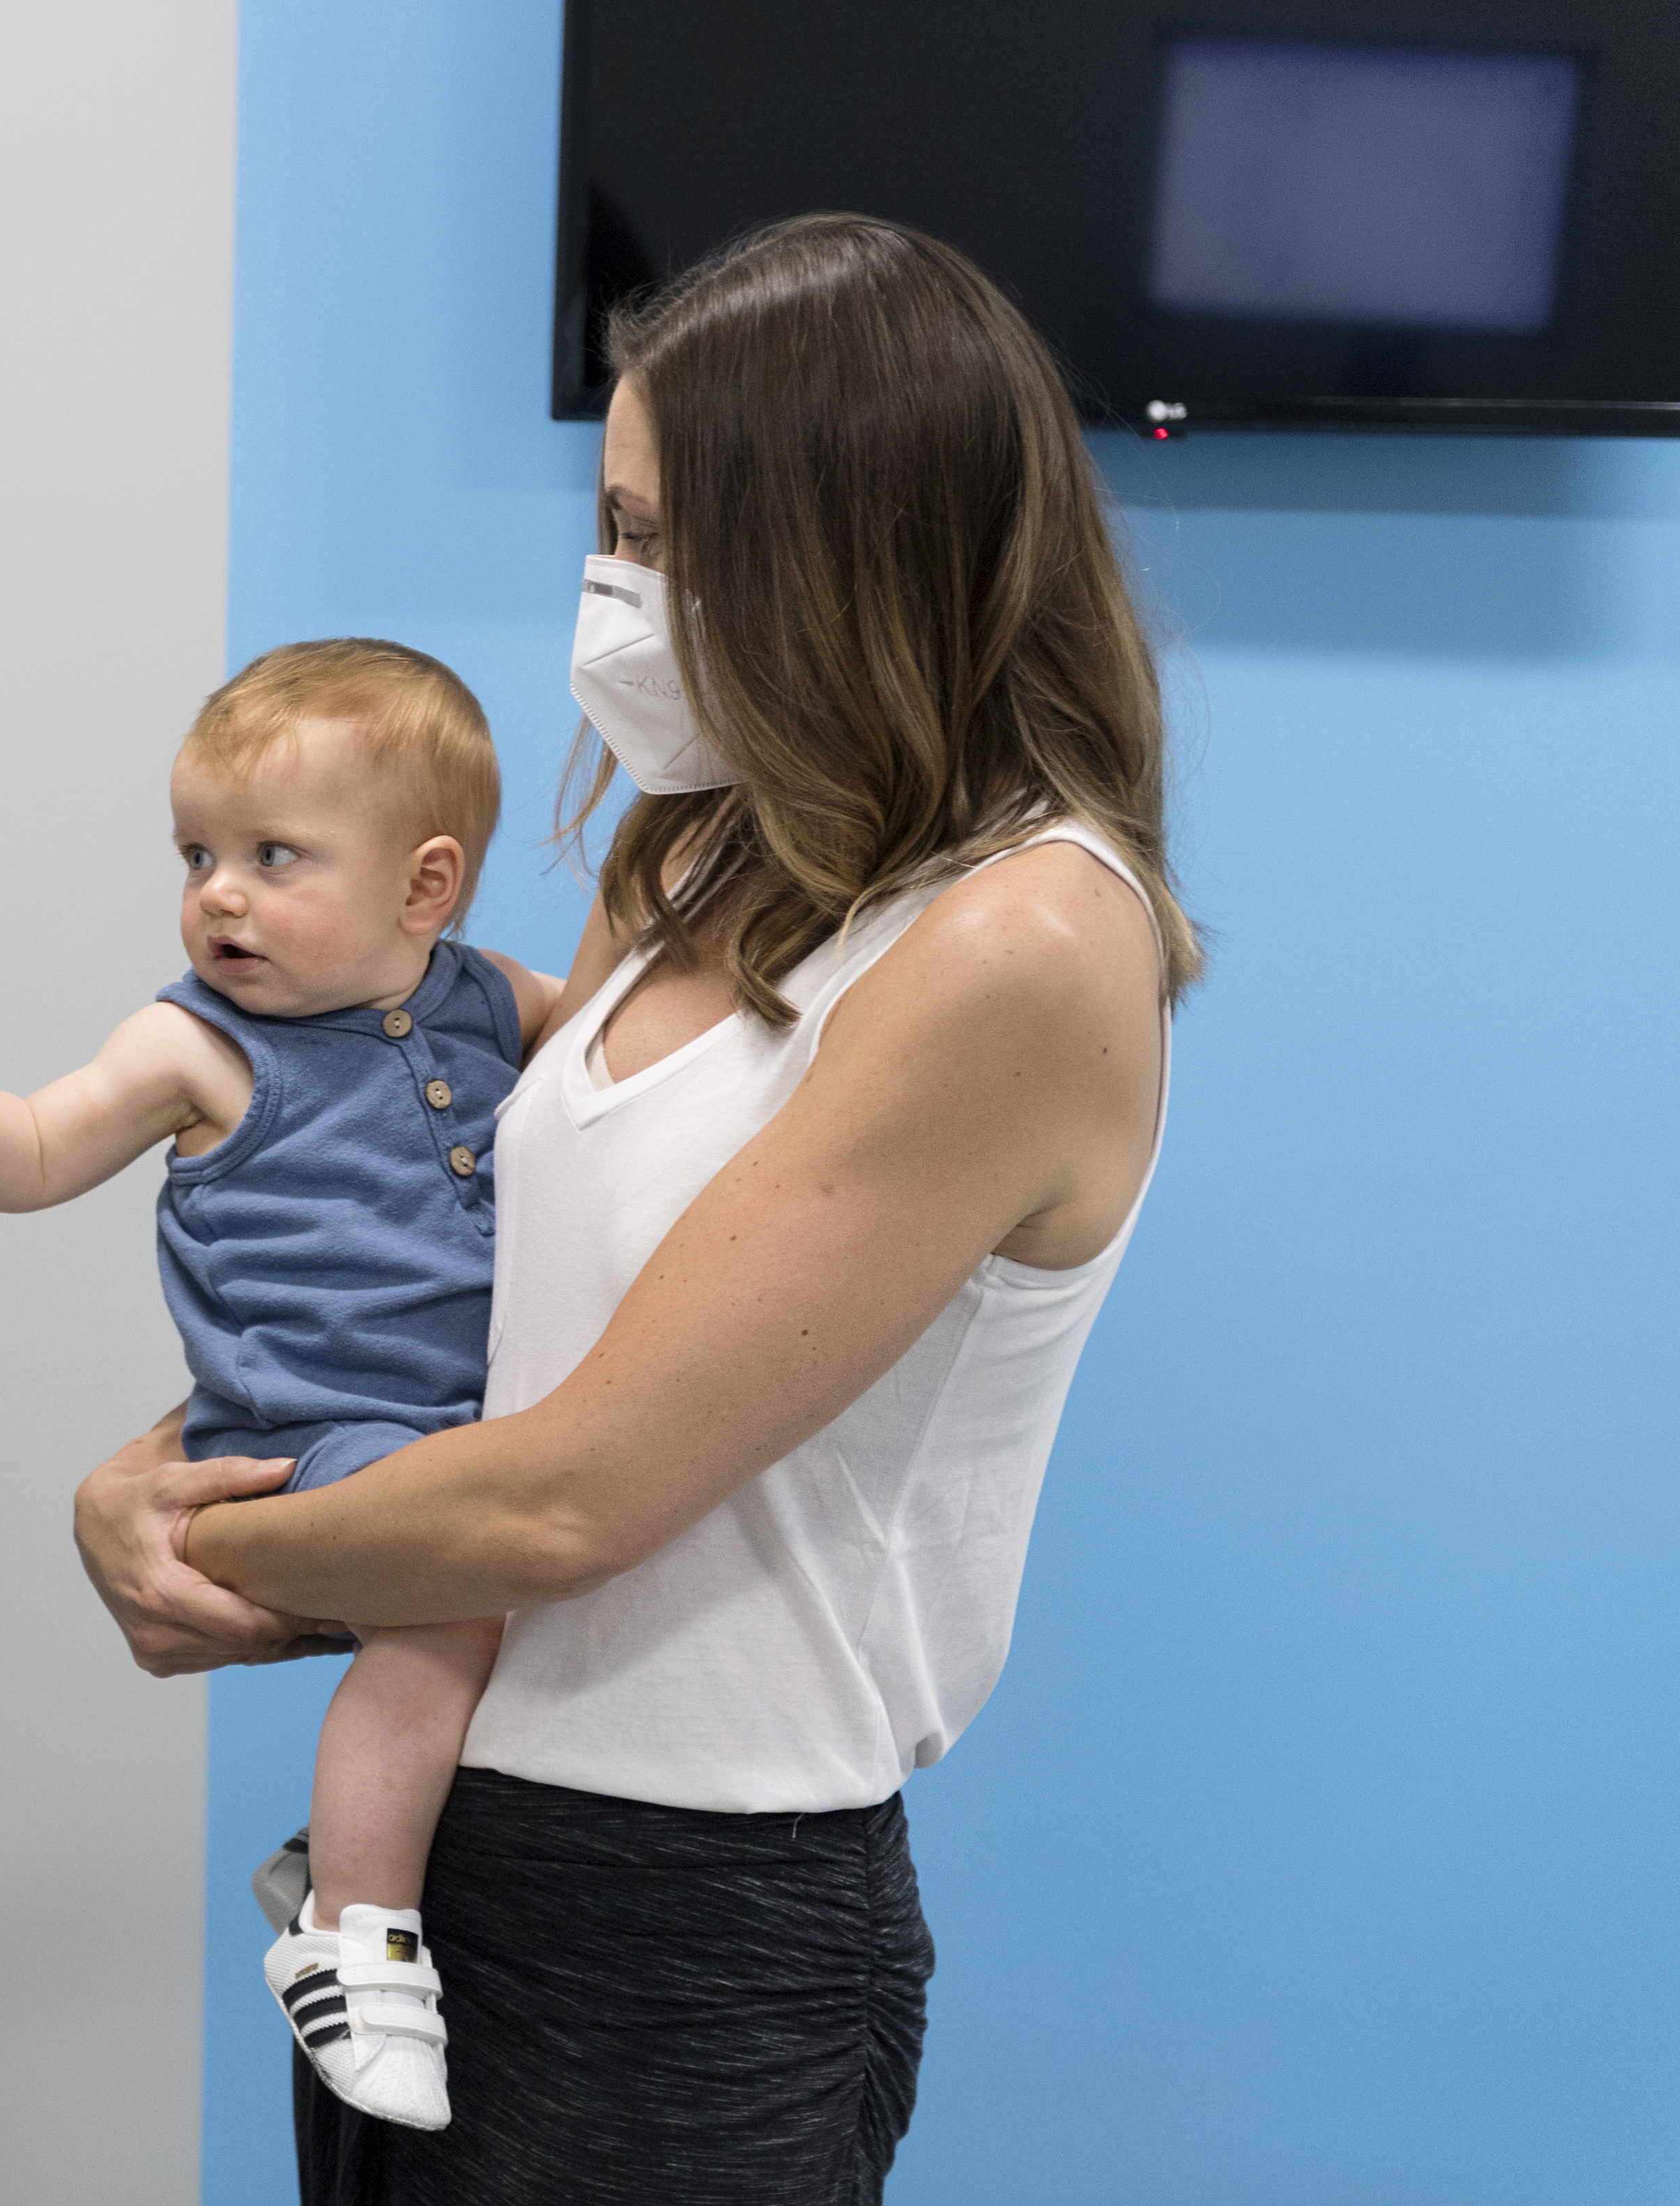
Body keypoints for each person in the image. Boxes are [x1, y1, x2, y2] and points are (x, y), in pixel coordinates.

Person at [71, 212, 1198, 2205]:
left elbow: (569, 1495)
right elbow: (493, 1304)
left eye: (667, 539)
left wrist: (228, 1555)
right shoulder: (695, 850)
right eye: (614, 521)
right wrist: (155, 1481)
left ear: (844, 553)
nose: (615, 592)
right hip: (442, 1842)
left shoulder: (1025, 941)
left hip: (700, 1915)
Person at [0, 640, 558, 2129]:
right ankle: (355, 1932)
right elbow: (35, 1148)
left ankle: (341, 1856)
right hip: (306, 1433)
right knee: (447, 1605)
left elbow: (627, 1025)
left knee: (495, 1638)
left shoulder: (482, 999)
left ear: (426, 888)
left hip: (467, 1422)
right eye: (199, 853)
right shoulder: (196, 1042)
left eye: (274, 856)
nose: (218, 892)